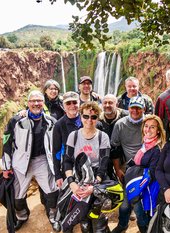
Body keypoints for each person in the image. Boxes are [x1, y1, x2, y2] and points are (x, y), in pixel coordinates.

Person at [1, 90, 57, 231]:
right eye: (33, 101)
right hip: (21, 163)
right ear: (28, 103)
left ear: (43, 103)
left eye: (39, 101)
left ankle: (53, 216)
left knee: (52, 192)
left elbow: (57, 144)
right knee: (18, 197)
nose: (36, 103)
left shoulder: (50, 121)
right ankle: (22, 216)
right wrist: (6, 167)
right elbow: (7, 144)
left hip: (43, 161)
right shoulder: (16, 121)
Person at [63, 101, 111, 233]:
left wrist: (94, 186)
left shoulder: (103, 137)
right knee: (84, 221)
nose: (89, 120)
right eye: (86, 116)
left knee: (99, 222)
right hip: (79, 178)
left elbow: (103, 164)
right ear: (80, 116)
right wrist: (71, 183)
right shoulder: (73, 136)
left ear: (98, 118)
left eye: (93, 117)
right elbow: (67, 161)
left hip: (97, 179)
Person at [111, 96, 149, 233]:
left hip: (147, 169)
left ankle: (144, 228)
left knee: (139, 205)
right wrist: (117, 169)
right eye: (133, 107)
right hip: (129, 170)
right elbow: (114, 149)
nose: (135, 110)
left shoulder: (149, 122)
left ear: (143, 109)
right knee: (125, 205)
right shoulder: (120, 124)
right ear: (128, 108)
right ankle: (123, 225)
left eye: (139, 108)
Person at [132, 114, 166, 217]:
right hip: (144, 183)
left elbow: (152, 173)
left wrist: (137, 188)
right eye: (146, 126)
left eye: (152, 127)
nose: (148, 129)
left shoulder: (157, 149)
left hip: (152, 187)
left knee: (151, 214)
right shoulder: (146, 143)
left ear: (158, 130)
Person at [52, 91, 82, 189]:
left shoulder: (87, 119)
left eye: (74, 102)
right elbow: (56, 151)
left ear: (79, 103)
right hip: (68, 166)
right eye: (68, 103)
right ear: (63, 105)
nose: (72, 105)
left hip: (87, 163)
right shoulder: (59, 125)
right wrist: (58, 175)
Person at [98, 94, 128, 180]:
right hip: (104, 159)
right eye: (105, 103)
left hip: (123, 157)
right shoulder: (96, 119)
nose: (107, 105)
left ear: (117, 104)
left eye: (110, 103)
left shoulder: (126, 116)